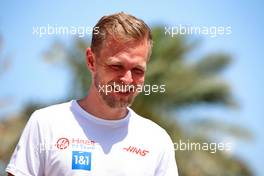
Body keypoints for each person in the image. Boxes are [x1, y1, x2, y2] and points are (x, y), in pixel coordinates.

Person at [6, 12, 178, 176]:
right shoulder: (46, 124)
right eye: (116, 66)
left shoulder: (157, 141)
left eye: (138, 70)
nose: (127, 79)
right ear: (91, 61)